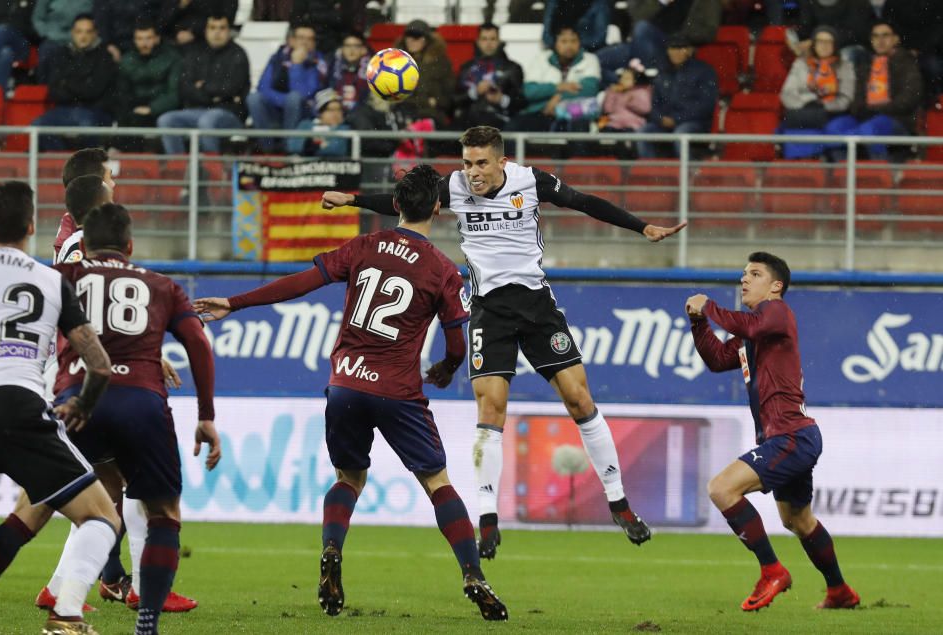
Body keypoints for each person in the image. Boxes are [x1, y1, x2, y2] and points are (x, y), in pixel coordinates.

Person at [320, 126, 686, 559]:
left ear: (501, 162)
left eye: (480, 163)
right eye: (466, 163)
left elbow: (584, 202)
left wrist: (641, 227)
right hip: (488, 311)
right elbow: (403, 201)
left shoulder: (531, 181)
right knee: (491, 410)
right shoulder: (453, 187)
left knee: (579, 399)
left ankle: (619, 503)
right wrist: (354, 199)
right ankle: (488, 519)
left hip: (536, 306)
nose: (471, 173)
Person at [193, 165, 508, 621]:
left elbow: (301, 282)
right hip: (398, 391)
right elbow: (458, 339)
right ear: (438, 209)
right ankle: (473, 574)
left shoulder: (365, 246)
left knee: (348, 480)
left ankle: (332, 552)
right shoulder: (442, 270)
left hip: (345, 384)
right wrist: (447, 366)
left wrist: (234, 302)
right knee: (437, 482)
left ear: (396, 205)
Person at [0, 181, 119, 635]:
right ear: (31, 225)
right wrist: (82, 405)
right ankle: (65, 617)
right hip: (20, 407)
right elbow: (98, 364)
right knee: (102, 517)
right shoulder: (50, 280)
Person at [53, 202, 221, 633]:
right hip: (141, 404)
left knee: (61, 506)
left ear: (83, 245)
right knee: (163, 509)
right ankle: (146, 620)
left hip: (77, 399)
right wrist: (205, 415)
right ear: (130, 244)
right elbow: (199, 345)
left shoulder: (61, 277)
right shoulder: (161, 285)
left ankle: (57, 604)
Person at [685, 252, 861, 612]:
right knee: (796, 519)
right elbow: (719, 359)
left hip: (791, 437)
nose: (744, 280)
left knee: (721, 488)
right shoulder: (756, 335)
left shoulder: (777, 311)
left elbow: (749, 326)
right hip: (790, 438)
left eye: (754, 273)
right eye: (743, 274)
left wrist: (710, 307)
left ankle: (772, 570)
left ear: (776, 285)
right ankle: (840, 591)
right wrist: (698, 323)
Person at [824, 21, 921, 161]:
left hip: (896, 120)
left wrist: (876, 110)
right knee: (834, 127)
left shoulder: (907, 64)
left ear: (896, 39)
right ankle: (843, 174)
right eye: (875, 36)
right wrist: (864, 110)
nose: (880, 41)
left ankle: (879, 177)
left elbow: (908, 100)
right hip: (866, 118)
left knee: (871, 128)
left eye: (885, 35)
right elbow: (855, 100)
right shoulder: (865, 66)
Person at [156, 14, 250, 155]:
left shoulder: (238, 53)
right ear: (206, 31)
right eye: (212, 28)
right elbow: (185, 87)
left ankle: (212, 170)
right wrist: (212, 96)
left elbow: (232, 88)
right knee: (166, 120)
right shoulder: (195, 52)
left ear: (229, 31)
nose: (217, 32)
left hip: (230, 113)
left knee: (207, 121)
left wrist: (203, 86)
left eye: (222, 28)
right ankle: (178, 168)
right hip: (197, 110)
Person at [33, 14, 117, 151]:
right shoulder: (60, 54)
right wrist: (82, 85)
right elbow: (53, 91)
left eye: (88, 32)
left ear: (95, 34)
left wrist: (66, 83)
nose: (83, 36)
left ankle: (83, 165)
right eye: (79, 31)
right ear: (72, 33)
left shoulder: (105, 57)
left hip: (93, 111)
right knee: (37, 126)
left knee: (87, 125)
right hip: (63, 110)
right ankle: (62, 161)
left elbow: (94, 91)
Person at [246, 23, 328, 153]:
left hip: (304, 113)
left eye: (310, 39)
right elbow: (263, 88)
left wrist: (297, 65)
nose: (305, 42)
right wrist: (284, 102)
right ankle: (267, 149)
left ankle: (288, 148)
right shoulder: (278, 57)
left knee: (294, 98)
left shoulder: (319, 63)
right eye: (301, 38)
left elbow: (305, 93)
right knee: (254, 98)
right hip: (277, 109)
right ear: (291, 40)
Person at [778, 25, 855, 159]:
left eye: (828, 42)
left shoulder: (845, 66)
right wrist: (808, 103)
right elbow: (787, 93)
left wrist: (823, 106)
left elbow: (846, 99)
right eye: (820, 41)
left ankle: (827, 169)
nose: (824, 45)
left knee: (833, 129)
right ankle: (802, 171)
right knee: (787, 130)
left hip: (833, 114)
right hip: (804, 112)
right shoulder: (801, 64)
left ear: (835, 45)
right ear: (814, 44)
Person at [636, 34, 718, 159]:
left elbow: (706, 105)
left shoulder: (704, 71)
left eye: (681, 48)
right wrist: (660, 119)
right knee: (642, 132)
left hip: (694, 123)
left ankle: (687, 175)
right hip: (665, 123)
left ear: (689, 50)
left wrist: (677, 119)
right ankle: (651, 173)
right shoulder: (663, 73)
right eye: (673, 48)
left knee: (681, 133)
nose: (676, 52)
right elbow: (654, 103)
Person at [508, 25, 600, 134]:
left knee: (579, 128)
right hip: (543, 112)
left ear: (579, 43)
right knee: (514, 127)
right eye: (564, 41)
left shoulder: (589, 59)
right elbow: (529, 91)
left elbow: (590, 89)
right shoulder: (541, 59)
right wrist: (558, 87)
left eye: (573, 41)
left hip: (575, 113)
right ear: (555, 44)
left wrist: (558, 98)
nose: (569, 46)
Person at [114, 19, 183, 153]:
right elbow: (122, 91)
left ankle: (139, 165)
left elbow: (174, 94)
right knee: (125, 118)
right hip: (133, 108)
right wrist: (132, 107)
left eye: (148, 38)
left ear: (157, 38)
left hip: (161, 108)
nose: (144, 43)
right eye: (140, 39)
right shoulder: (127, 59)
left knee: (136, 121)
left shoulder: (172, 58)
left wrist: (152, 108)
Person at [453, 22, 525, 130]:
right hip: (467, 121)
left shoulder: (512, 68)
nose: (488, 43)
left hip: (499, 120)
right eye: (484, 39)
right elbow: (453, 100)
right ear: (478, 42)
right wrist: (475, 92)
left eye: (492, 39)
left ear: (499, 41)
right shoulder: (466, 68)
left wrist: (501, 99)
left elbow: (521, 101)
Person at [286, 88, 350, 157]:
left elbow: (338, 150)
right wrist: (311, 145)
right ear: (320, 112)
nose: (336, 114)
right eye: (331, 110)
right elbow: (293, 146)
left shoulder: (344, 128)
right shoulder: (305, 125)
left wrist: (313, 147)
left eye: (339, 110)